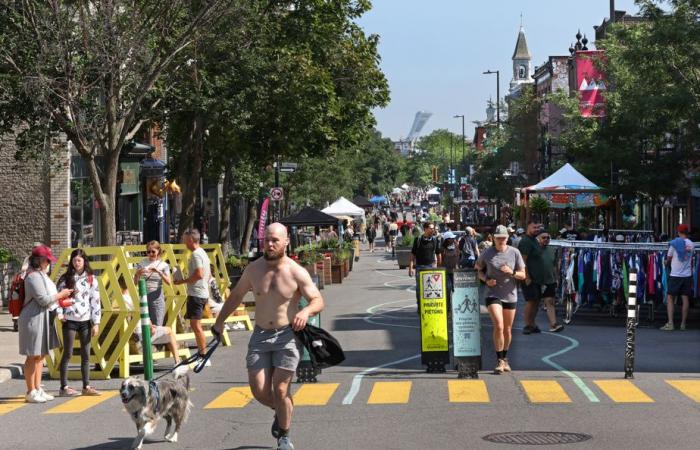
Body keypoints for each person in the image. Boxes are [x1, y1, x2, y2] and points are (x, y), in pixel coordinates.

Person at [212, 223, 324, 450]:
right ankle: (282, 411)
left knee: (281, 389)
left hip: (287, 336)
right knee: (259, 390)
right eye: (266, 240)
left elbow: (318, 300)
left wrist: (305, 311)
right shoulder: (253, 270)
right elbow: (235, 297)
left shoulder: (296, 271)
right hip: (260, 335)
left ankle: (284, 435)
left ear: (286, 242)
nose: (270, 244)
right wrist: (219, 321)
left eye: (275, 240)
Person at [19, 245, 73, 403]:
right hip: (33, 318)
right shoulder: (33, 276)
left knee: (40, 354)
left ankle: (37, 388)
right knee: (32, 355)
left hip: (41, 317)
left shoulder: (39, 275)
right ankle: (31, 391)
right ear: (39, 260)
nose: (49, 263)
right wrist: (61, 295)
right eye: (47, 260)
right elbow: (43, 299)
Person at [475, 225, 526, 374]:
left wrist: (512, 272)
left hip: (510, 294)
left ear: (507, 238)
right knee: (499, 325)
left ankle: (505, 358)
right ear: (494, 238)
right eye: (498, 238)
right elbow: (477, 269)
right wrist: (486, 280)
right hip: (493, 293)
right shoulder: (487, 253)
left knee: (508, 329)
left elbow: (523, 275)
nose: (501, 240)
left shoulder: (514, 252)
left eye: (503, 237)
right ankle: (499, 360)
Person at [56, 249, 102, 397]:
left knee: (86, 354)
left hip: (85, 321)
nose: (77, 263)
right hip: (69, 320)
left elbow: (95, 301)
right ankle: (64, 387)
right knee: (68, 353)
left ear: (84, 261)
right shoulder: (65, 278)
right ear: (71, 262)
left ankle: (86, 386)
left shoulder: (91, 279)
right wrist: (60, 314)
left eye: (79, 260)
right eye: (74, 260)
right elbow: (58, 298)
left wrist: (96, 322)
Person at [118, 278, 181, 366]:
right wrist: (151, 327)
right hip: (141, 333)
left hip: (130, 333)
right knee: (169, 330)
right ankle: (177, 361)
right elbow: (144, 315)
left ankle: (177, 360)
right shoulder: (134, 298)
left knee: (166, 334)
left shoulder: (119, 299)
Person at [173, 229, 211, 362]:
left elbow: (199, 274)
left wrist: (182, 281)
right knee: (196, 324)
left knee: (196, 325)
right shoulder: (202, 253)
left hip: (197, 293)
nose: (183, 242)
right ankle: (202, 353)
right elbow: (207, 274)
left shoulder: (195, 255)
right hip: (201, 291)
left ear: (190, 240)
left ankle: (203, 355)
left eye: (184, 239)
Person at [661, 224, 694, 331]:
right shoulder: (691, 244)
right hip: (687, 275)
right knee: (685, 298)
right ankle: (683, 324)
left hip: (675, 275)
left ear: (679, 232)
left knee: (670, 298)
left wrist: (665, 262)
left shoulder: (674, 244)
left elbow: (669, 259)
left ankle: (671, 323)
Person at [518, 221, 547, 335]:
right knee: (531, 301)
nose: (536, 229)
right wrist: (527, 277)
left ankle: (532, 324)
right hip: (529, 278)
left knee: (536, 301)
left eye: (538, 227)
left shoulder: (534, 240)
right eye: (534, 227)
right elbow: (522, 260)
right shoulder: (525, 241)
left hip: (537, 278)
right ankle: (527, 324)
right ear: (528, 227)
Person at [134, 240, 172, 326]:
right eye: (148, 252)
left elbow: (169, 282)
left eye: (153, 252)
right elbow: (135, 283)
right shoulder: (142, 263)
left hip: (156, 298)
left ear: (158, 251)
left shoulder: (163, 265)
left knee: (157, 324)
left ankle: (158, 339)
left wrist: (159, 272)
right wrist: (137, 274)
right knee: (145, 325)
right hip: (143, 297)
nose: (150, 254)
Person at [408, 222, 442, 313]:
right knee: (419, 289)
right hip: (420, 268)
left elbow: (438, 254)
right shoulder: (418, 240)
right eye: (431, 228)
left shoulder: (435, 240)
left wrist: (439, 268)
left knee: (432, 289)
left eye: (433, 228)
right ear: (425, 229)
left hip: (431, 267)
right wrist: (411, 268)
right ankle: (420, 306)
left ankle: (430, 306)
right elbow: (412, 255)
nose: (433, 230)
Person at [537, 232, 564, 332]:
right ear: (538, 238)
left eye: (548, 237)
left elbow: (555, 266)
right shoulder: (534, 250)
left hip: (549, 280)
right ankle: (530, 324)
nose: (546, 239)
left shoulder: (552, 250)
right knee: (534, 303)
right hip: (536, 280)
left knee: (550, 301)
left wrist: (556, 278)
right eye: (543, 237)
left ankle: (553, 324)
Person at [441, 231, 460, 307]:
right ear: (448, 239)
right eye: (452, 238)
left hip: (454, 272)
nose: (454, 239)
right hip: (446, 272)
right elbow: (441, 260)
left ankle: (456, 306)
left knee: (455, 290)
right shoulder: (443, 249)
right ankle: (448, 307)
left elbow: (458, 256)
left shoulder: (456, 246)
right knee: (448, 289)